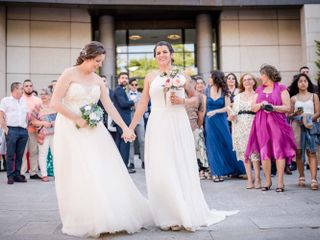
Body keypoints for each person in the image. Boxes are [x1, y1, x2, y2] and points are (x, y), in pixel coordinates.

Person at [130, 41, 237, 232]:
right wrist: (130, 127)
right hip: (158, 123)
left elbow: (196, 97)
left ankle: (181, 212)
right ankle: (167, 213)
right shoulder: (149, 76)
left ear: (171, 54)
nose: (161, 55)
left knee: (178, 163)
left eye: (164, 51)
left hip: (178, 122)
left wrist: (182, 101)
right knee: (161, 166)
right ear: (155, 57)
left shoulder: (181, 76)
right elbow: (142, 103)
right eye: (158, 52)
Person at [51, 41, 153, 237]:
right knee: (78, 170)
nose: (99, 65)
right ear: (87, 57)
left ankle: (105, 213)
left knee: (101, 167)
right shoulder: (68, 74)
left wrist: (125, 128)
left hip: (94, 129)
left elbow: (109, 107)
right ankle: (83, 216)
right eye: (97, 61)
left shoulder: (98, 80)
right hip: (70, 127)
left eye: (101, 62)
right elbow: (55, 102)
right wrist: (77, 119)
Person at [245, 64, 296, 193]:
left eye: (262, 74)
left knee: (279, 151)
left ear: (268, 75)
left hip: (277, 124)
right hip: (261, 124)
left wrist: (273, 107)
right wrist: (261, 104)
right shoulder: (259, 90)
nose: (261, 77)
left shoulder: (281, 88)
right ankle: (267, 181)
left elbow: (287, 107)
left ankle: (280, 182)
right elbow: (253, 108)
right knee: (264, 152)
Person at [204, 70, 246, 182]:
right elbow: (203, 107)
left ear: (216, 78)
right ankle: (216, 172)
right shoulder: (206, 90)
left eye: (210, 77)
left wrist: (216, 111)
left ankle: (236, 169)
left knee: (226, 142)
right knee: (212, 145)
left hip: (221, 120)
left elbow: (227, 107)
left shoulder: (224, 91)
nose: (208, 79)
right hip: (209, 121)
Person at [228, 73, 261, 189]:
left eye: (249, 79)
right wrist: (231, 117)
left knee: (254, 153)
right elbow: (234, 113)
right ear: (242, 82)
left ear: (253, 82)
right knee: (244, 154)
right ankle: (249, 179)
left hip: (253, 125)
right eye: (245, 80)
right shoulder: (238, 96)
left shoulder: (258, 95)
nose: (247, 81)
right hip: (240, 126)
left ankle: (258, 178)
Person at [289, 73, 319, 190]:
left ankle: (313, 179)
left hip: (311, 127)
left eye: (305, 81)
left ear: (308, 83)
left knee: (311, 152)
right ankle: (301, 176)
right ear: (297, 84)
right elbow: (289, 115)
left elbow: (318, 112)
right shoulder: (293, 98)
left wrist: (308, 119)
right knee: (299, 152)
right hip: (297, 127)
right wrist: (296, 115)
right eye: (300, 81)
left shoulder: (314, 96)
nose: (303, 83)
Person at [0, 82, 29, 184]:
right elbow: (1, 115)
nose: (23, 90)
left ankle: (17, 174)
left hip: (23, 131)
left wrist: (26, 128)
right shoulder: (6, 101)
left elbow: (26, 116)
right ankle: (10, 176)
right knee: (10, 155)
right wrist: (5, 128)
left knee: (20, 155)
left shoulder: (24, 101)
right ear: (15, 89)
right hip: (11, 130)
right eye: (21, 88)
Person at [30, 88, 57, 182]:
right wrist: (43, 123)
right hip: (43, 135)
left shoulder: (55, 106)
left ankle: (56, 174)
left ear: (50, 95)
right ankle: (44, 174)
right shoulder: (37, 107)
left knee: (56, 154)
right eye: (41, 94)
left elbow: (62, 119)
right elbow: (32, 121)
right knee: (42, 154)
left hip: (55, 134)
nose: (43, 96)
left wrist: (54, 122)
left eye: (45, 94)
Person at [113, 72, 136, 174]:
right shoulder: (119, 90)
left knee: (121, 143)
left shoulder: (121, 90)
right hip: (123, 120)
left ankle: (121, 166)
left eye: (126, 78)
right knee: (124, 143)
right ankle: (124, 167)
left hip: (121, 120)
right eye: (122, 78)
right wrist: (133, 102)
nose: (125, 80)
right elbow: (123, 104)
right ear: (118, 80)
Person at [186, 77, 208, 180]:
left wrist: (198, 126)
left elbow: (201, 114)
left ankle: (202, 170)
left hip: (195, 125)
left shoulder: (200, 96)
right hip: (183, 125)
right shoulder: (182, 95)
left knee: (199, 148)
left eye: (191, 82)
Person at [20, 79, 42, 179]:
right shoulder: (20, 99)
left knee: (33, 151)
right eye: (26, 86)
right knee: (23, 152)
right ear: (23, 88)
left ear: (33, 87)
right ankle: (22, 173)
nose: (28, 87)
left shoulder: (38, 100)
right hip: (22, 130)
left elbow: (41, 114)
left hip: (34, 130)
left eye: (30, 86)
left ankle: (33, 172)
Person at [127, 78, 145, 170]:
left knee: (142, 140)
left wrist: (136, 107)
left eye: (136, 84)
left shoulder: (142, 95)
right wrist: (133, 106)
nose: (134, 86)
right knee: (130, 142)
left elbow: (144, 108)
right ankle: (132, 162)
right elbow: (125, 107)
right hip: (130, 120)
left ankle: (143, 161)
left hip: (140, 120)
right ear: (129, 85)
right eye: (133, 84)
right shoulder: (126, 95)